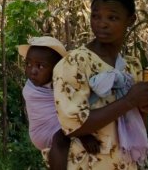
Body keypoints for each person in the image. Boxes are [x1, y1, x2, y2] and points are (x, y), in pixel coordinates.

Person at [53, 0, 148, 169]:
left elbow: (139, 123)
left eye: (112, 18)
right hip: (88, 163)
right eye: (96, 16)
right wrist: (130, 100)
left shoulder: (132, 66)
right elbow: (74, 126)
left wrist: (146, 106)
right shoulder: (75, 62)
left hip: (124, 163)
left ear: (130, 20)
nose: (102, 24)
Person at [19, 36, 100, 170]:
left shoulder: (61, 83)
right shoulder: (32, 88)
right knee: (60, 138)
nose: (32, 71)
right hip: (46, 131)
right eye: (28, 64)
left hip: (55, 127)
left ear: (57, 68)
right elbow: (67, 114)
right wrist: (83, 134)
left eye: (40, 66)